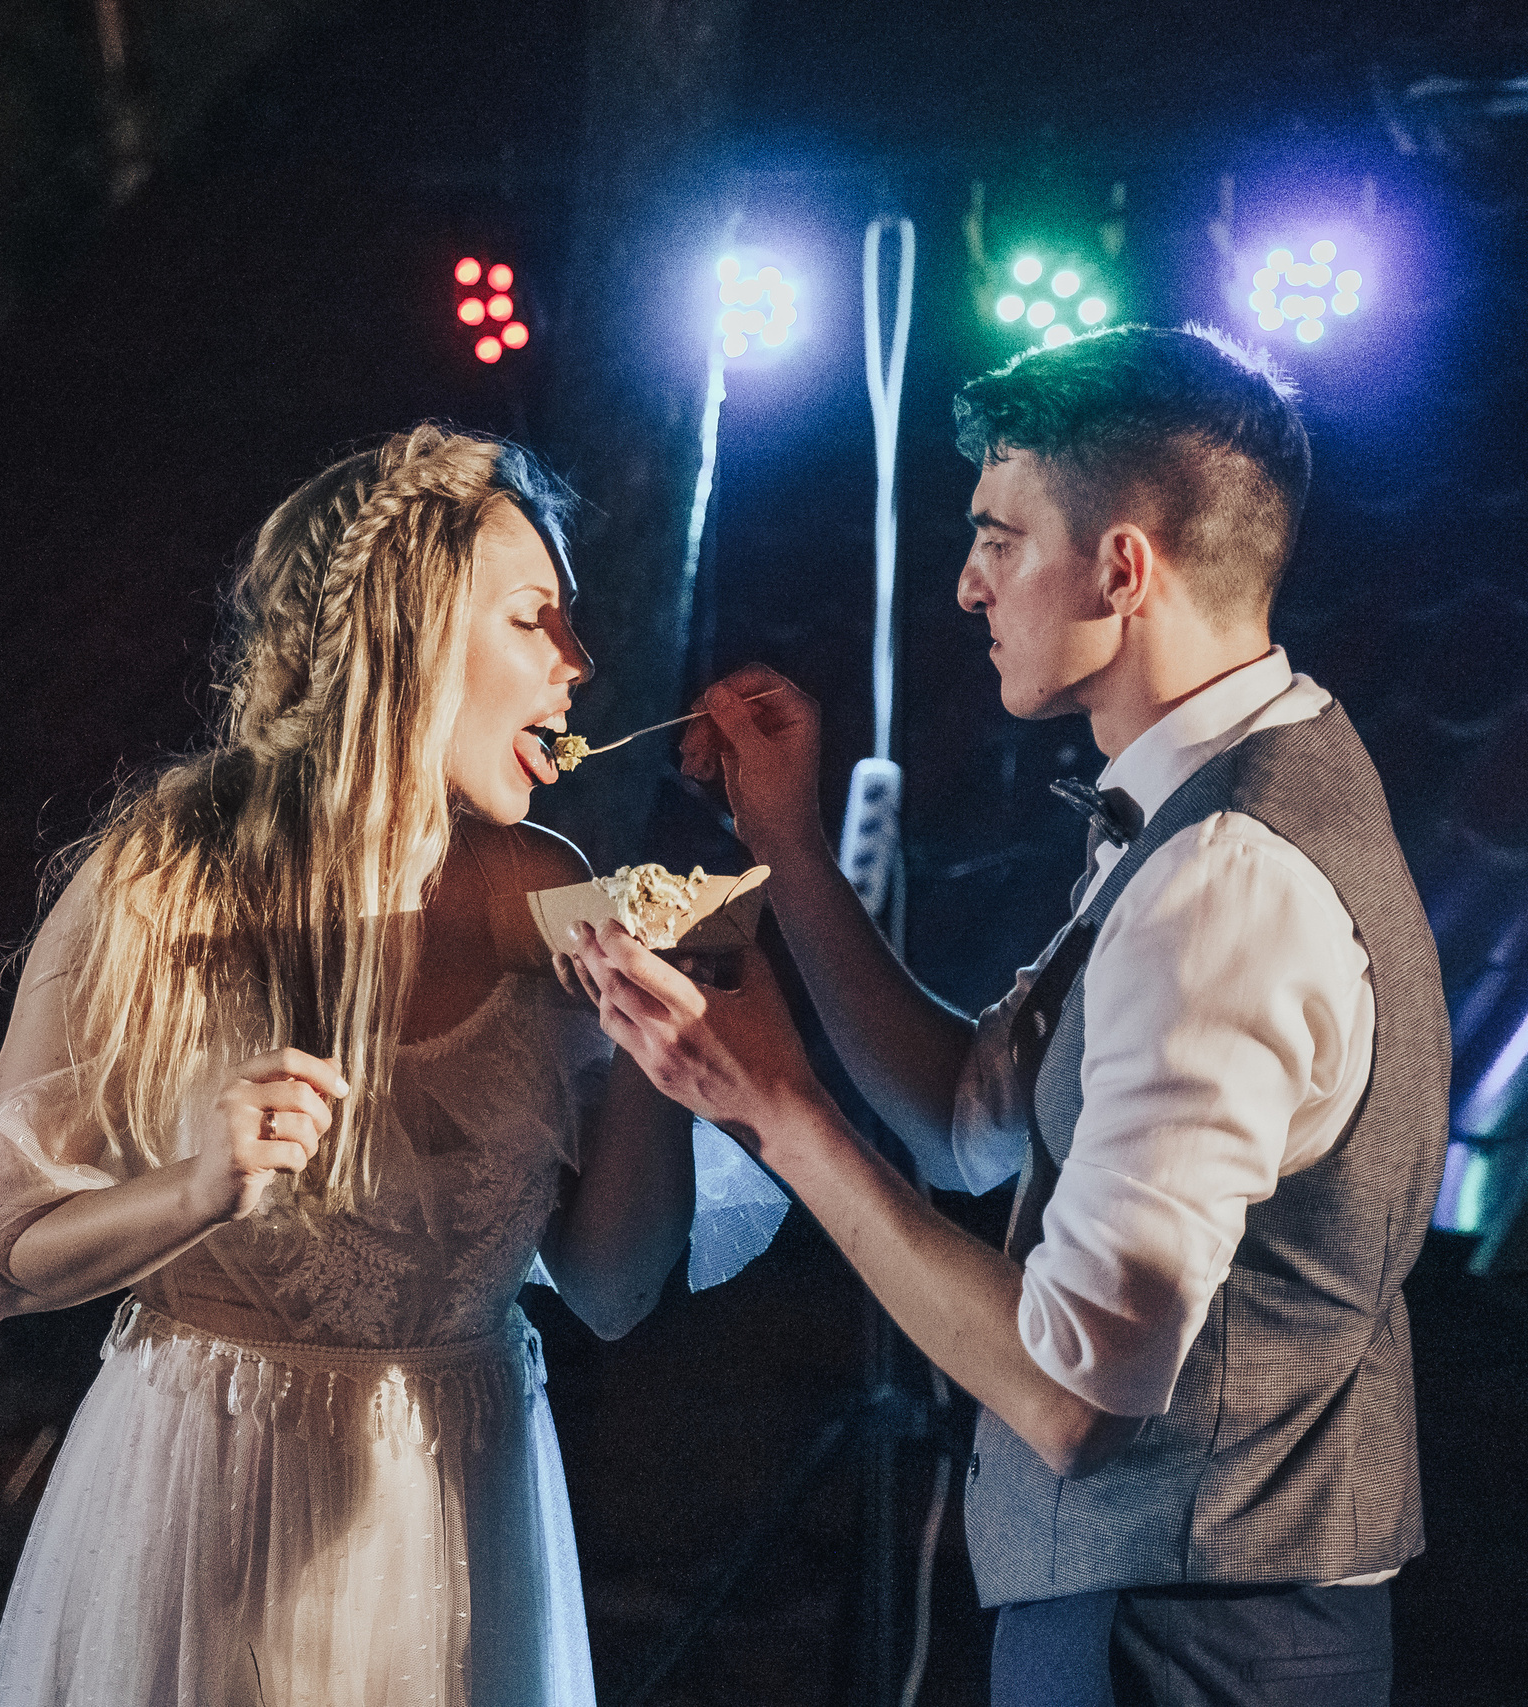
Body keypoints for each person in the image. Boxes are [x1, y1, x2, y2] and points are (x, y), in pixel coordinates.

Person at [564, 326, 1450, 1706]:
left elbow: (1073, 1391)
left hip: (1184, 1636)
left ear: (1122, 567)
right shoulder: (1219, 793)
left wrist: (777, 1110)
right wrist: (790, 847)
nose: (967, 581)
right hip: (1181, 1609)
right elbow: (971, 1117)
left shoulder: (1221, 882)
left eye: (997, 533)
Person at [0, 425, 778, 1707]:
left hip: (464, 1521)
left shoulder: (550, 889)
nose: (579, 665)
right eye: (535, 621)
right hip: (206, 1508)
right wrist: (196, 1190)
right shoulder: (165, 877)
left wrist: (655, 1040)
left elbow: (616, 1292)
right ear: (408, 637)